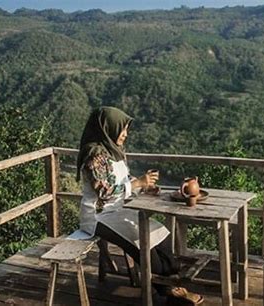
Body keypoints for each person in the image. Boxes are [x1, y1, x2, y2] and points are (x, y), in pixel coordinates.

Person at [76, 106, 203, 305]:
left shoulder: (113, 151)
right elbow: (105, 191)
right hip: (98, 216)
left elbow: (124, 180)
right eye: (122, 129)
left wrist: (144, 187)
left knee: (162, 240)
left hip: (117, 212)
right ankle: (170, 291)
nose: (125, 134)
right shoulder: (94, 156)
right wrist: (138, 183)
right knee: (143, 246)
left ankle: (172, 287)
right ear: (109, 128)